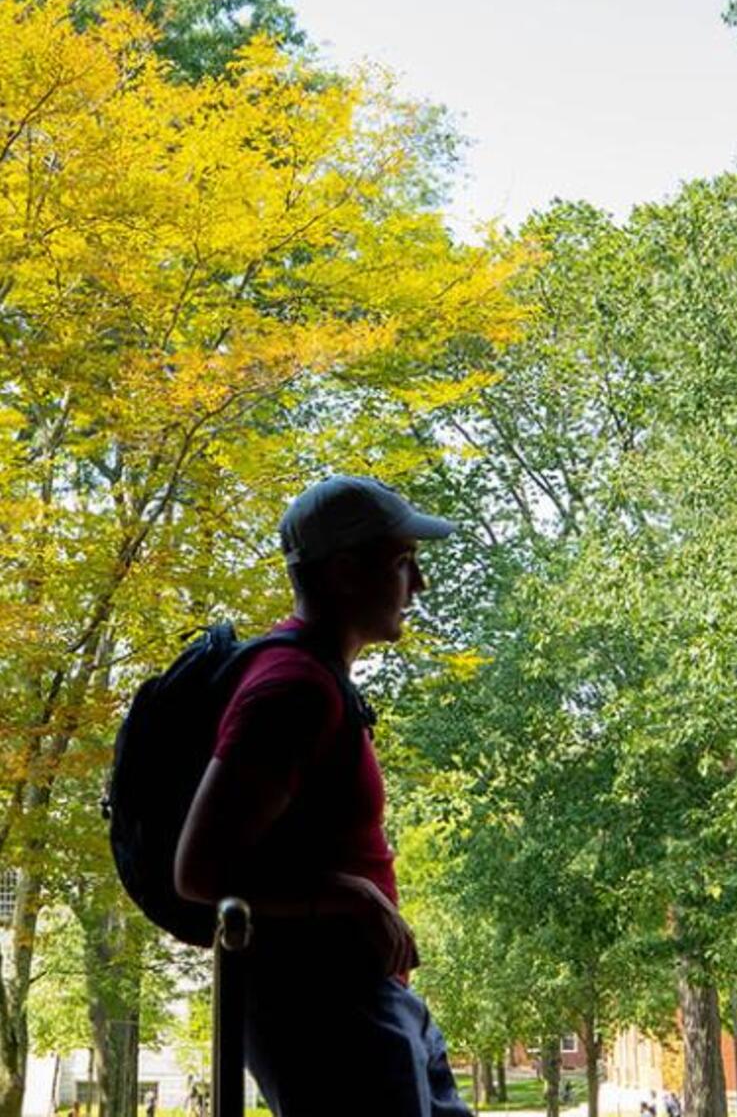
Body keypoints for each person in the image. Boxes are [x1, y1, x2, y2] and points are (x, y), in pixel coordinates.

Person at [173, 474, 470, 1116]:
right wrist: (348, 896)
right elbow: (198, 870)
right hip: (327, 1017)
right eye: (401, 563)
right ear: (343, 573)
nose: (418, 584)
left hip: (369, 1003)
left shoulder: (315, 680)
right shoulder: (291, 691)